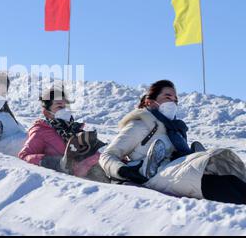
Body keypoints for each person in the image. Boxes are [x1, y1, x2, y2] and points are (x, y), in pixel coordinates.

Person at [99, 80, 246, 204]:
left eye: (176, 100)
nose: (173, 102)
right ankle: (148, 167)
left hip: (176, 170)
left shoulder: (176, 130)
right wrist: (122, 170)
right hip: (157, 176)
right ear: (150, 101)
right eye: (168, 97)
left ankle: (195, 159)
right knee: (223, 186)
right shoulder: (140, 124)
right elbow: (107, 155)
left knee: (231, 178)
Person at [18, 86, 108, 182]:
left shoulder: (75, 129)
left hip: (101, 169)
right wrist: (54, 162)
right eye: (60, 107)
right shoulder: (41, 131)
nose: (65, 110)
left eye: (66, 107)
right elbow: (24, 155)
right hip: (84, 179)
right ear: (46, 113)